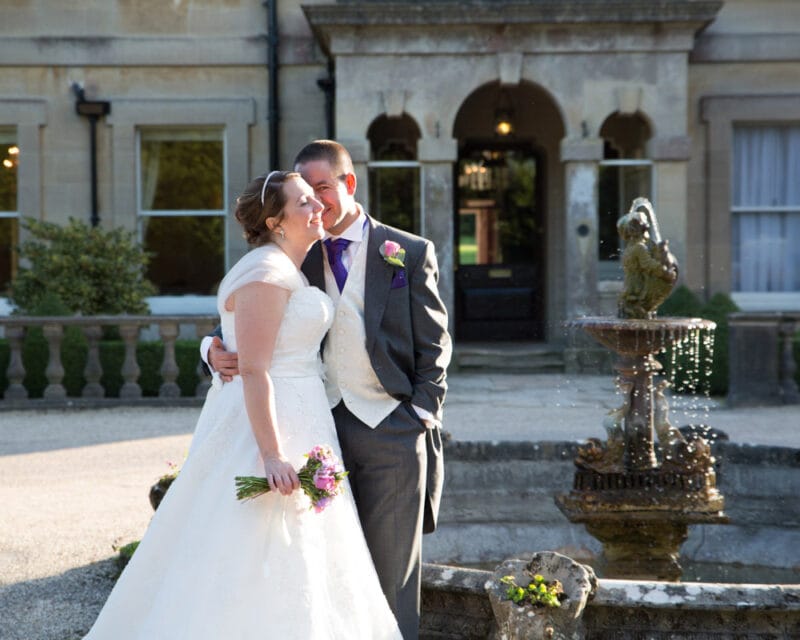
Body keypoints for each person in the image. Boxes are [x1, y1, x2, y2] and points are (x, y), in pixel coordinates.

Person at [85, 171, 402, 639]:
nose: (318, 208)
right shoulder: (267, 272)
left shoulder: (285, 267)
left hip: (305, 416)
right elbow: (254, 369)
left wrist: (212, 347)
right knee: (252, 542)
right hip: (268, 426)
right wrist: (272, 454)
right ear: (276, 222)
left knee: (304, 548)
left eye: (316, 199)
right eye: (303, 204)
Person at [205, 140, 452, 639]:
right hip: (317, 429)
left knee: (391, 574)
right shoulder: (296, 246)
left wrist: (421, 415)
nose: (317, 202)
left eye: (323, 188)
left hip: (392, 429)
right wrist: (210, 348)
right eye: (307, 192)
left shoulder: (407, 251)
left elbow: (436, 343)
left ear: (349, 185)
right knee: (325, 566)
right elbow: (242, 319)